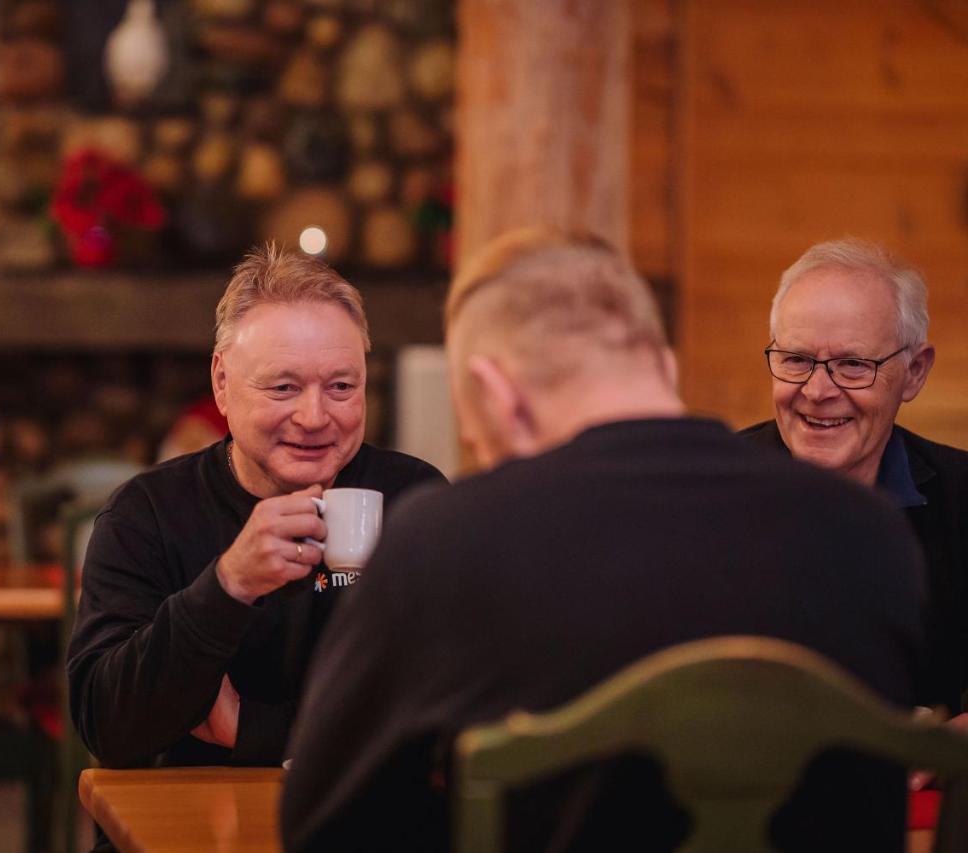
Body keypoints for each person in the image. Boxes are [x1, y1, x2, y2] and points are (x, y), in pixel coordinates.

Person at [281, 230, 926, 852]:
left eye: (477, 436)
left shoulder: (445, 542)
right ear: (662, 367)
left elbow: (326, 827)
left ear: (498, 397)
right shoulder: (871, 534)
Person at [67, 244, 445, 783]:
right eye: (283, 387)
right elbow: (109, 727)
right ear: (221, 382)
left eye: (341, 386)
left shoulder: (415, 499)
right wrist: (226, 585)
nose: (315, 417)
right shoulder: (147, 513)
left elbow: (444, 723)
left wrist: (253, 732)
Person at [741, 238, 968, 719]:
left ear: (914, 373)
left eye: (853, 365)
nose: (818, 391)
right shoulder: (705, 496)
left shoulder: (963, 497)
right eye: (797, 359)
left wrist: (942, 743)